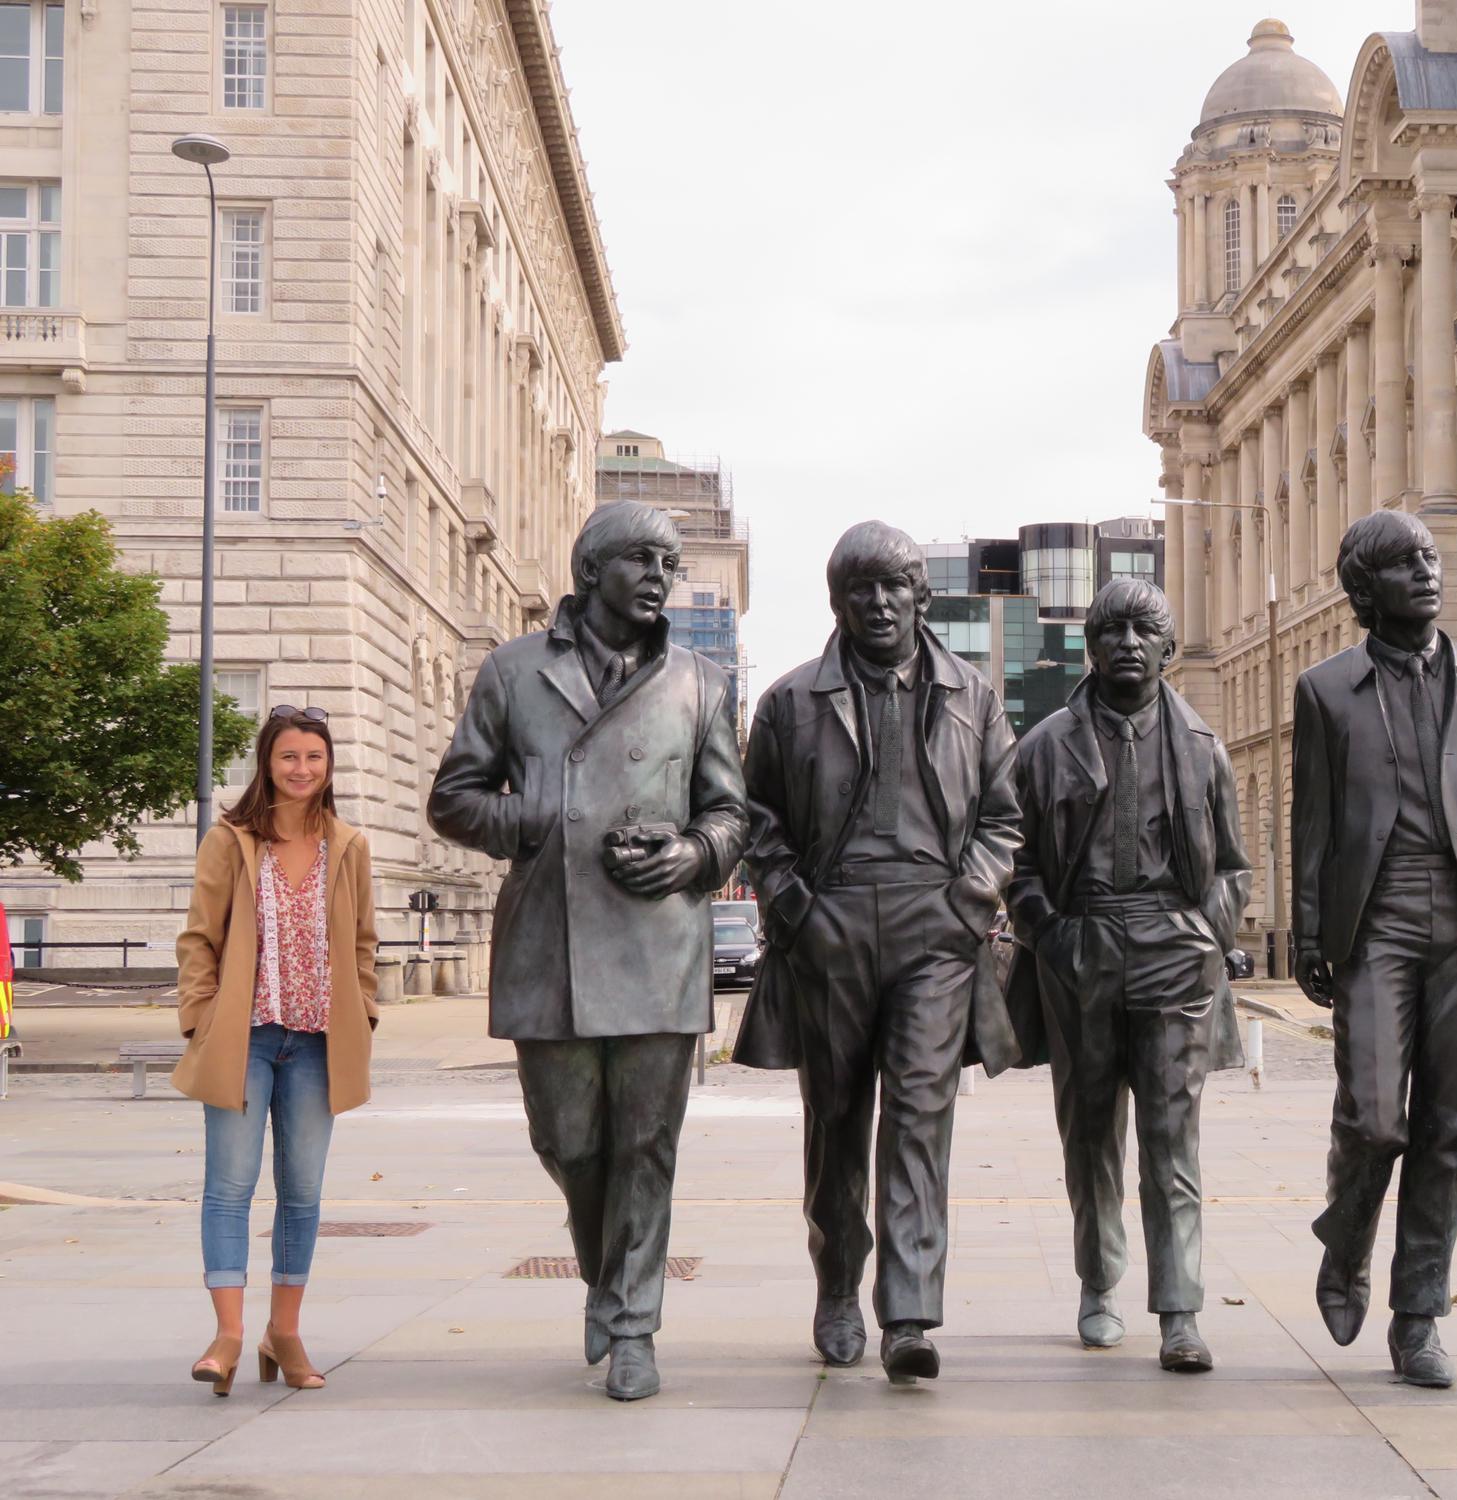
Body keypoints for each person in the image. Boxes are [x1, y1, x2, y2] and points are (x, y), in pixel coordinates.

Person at [428, 501, 749, 1402]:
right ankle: (604, 1276)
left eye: (671, 563)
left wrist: (692, 853)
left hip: (658, 943)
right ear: (592, 569)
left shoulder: (700, 681)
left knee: (647, 1143)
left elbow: (731, 815)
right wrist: (532, 818)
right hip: (550, 942)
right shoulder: (513, 672)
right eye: (643, 560)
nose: (661, 577)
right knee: (568, 1140)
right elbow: (454, 798)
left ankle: (635, 1322)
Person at [735, 520, 1022, 1384]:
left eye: (894, 585)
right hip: (830, 927)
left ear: (920, 596)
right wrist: (796, 909)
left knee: (920, 1121)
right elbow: (759, 823)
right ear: (838, 602)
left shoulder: (972, 695)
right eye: (860, 588)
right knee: (836, 1122)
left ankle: (908, 1313)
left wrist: (965, 901)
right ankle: (836, 1287)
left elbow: (1005, 820)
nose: (879, 601)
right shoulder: (788, 703)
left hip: (935, 929)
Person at [1291, 511, 1457, 1389]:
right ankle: (1346, 1246)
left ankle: (1420, 1319)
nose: (1428, 572)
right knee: (1375, 1119)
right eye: (1405, 564)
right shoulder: (1326, 690)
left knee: (1447, 1129)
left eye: (1430, 557)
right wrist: (1306, 929)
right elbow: (1315, 824)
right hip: (1377, 919)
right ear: (1366, 590)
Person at [1005, 578, 1250, 1372]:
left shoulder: (1204, 747)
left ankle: (1180, 1309)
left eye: (1145, 630)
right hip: (1084, 944)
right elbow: (1018, 857)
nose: (1128, 643)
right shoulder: (1045, 746)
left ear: (1169, 649)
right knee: (1089, 1134)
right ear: (1089, 646)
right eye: (1110, 630)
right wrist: (1050, 931)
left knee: (1171, 1137)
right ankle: (1099, 1281)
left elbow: (1234, 867)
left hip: (1174, 948)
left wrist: (1206, 933)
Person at [174, 706, 379, 1396]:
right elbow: (200, 940)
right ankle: (228, 1336)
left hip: (319, 1043)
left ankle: (282, 1332)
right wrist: (200, 1023)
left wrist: (366, 1014)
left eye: (314, 758)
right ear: (267, 763)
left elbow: (362, 945)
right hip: (245, 1040)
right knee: (229, 1189)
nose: (302, 770)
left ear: (328, 766)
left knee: (302, 1194)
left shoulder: (348, 845)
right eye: (288, 757)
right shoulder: (230, 841)